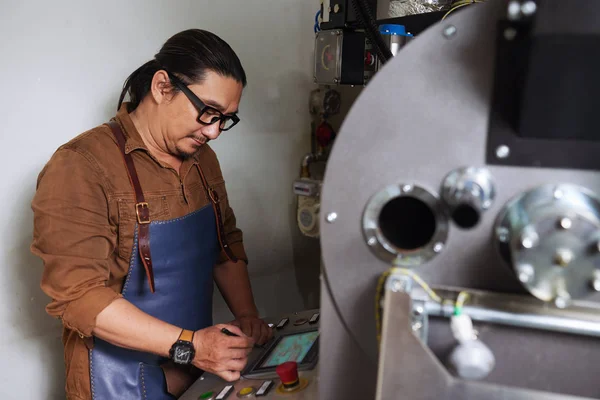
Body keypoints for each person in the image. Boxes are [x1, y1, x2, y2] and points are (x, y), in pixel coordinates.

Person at [30, 29, 273, 400]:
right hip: (116, 383)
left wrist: (247, 317)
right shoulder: (81, 165)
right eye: (208, 112)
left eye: (225, 119)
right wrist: (191, 346)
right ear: (162, 87)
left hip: (193, 371)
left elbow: (224, 244)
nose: (214, 132)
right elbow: (79, 297)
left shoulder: (202, 158)